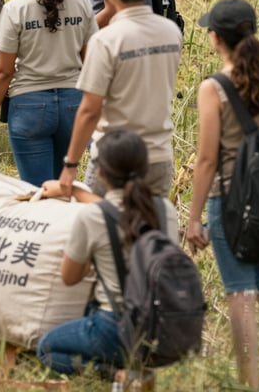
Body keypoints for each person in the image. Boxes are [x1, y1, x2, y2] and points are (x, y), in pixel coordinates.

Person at [186, 0, 259, 390]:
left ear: (216, 39)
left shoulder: (213, 88)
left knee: (240, 295)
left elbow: (207, 160)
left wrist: (195, 216)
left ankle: (250, 383)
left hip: (229, 200)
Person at [36, 129, 179, 377]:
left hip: (114, 326)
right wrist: (80, 193)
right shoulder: (166, 210)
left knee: (46, 349)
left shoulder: (91, 217)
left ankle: (114, 373)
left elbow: (69, 278)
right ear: (146, 168)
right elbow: (124, 215)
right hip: (163, 326)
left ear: (100, 172)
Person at [58, 0, 182, 198]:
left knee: (102, 228)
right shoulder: (171, 32)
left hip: (112, 160)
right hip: (158, 157)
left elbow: (90, 109)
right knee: (149, 231)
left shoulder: (105, 41)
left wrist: (70, 164)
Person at [0, 0, 97, 185]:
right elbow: (90, 62)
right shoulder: (83, 4)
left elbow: (4, 71)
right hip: (73, 107)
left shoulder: (14, 9)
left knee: (36, 192)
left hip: (29, 109)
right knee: (61, 187)